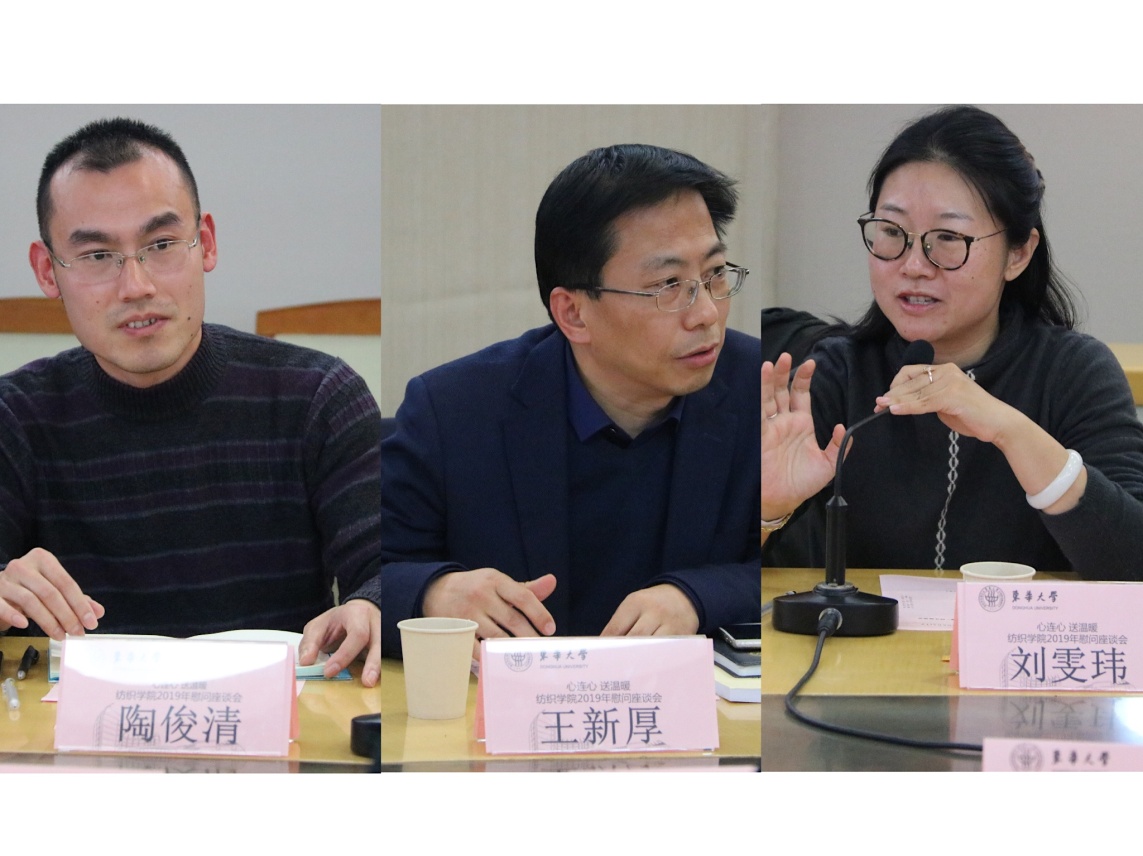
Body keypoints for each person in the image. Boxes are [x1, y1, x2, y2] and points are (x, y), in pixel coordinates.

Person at [0, 117, 381, 687]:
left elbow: (386, 567)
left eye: (160, 245)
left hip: (279, 724)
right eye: (98, 255)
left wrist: (373, 602)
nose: (136, 286)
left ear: (206, 243)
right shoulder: (15, 417)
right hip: (78, 730)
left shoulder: (317, 396)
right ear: (46, 271)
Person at [381, 143, 761, 656]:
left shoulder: (761, 390)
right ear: (574, 314)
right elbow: (375, 574)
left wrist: (698, 596)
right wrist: (435, 592)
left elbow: (807, 574)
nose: (707, 314)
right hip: (508, 701)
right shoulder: (453, 411)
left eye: (714, 274)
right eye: (668, 286)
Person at [762, 105, 1143, 577]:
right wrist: (765, 511)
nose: (914, 265)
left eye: (948, 237)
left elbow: (1134, 565)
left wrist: (1010, 429)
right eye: (892, 232)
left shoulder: (1073, 373)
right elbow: (731, 574)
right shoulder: (837, 374)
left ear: (1018, 254)